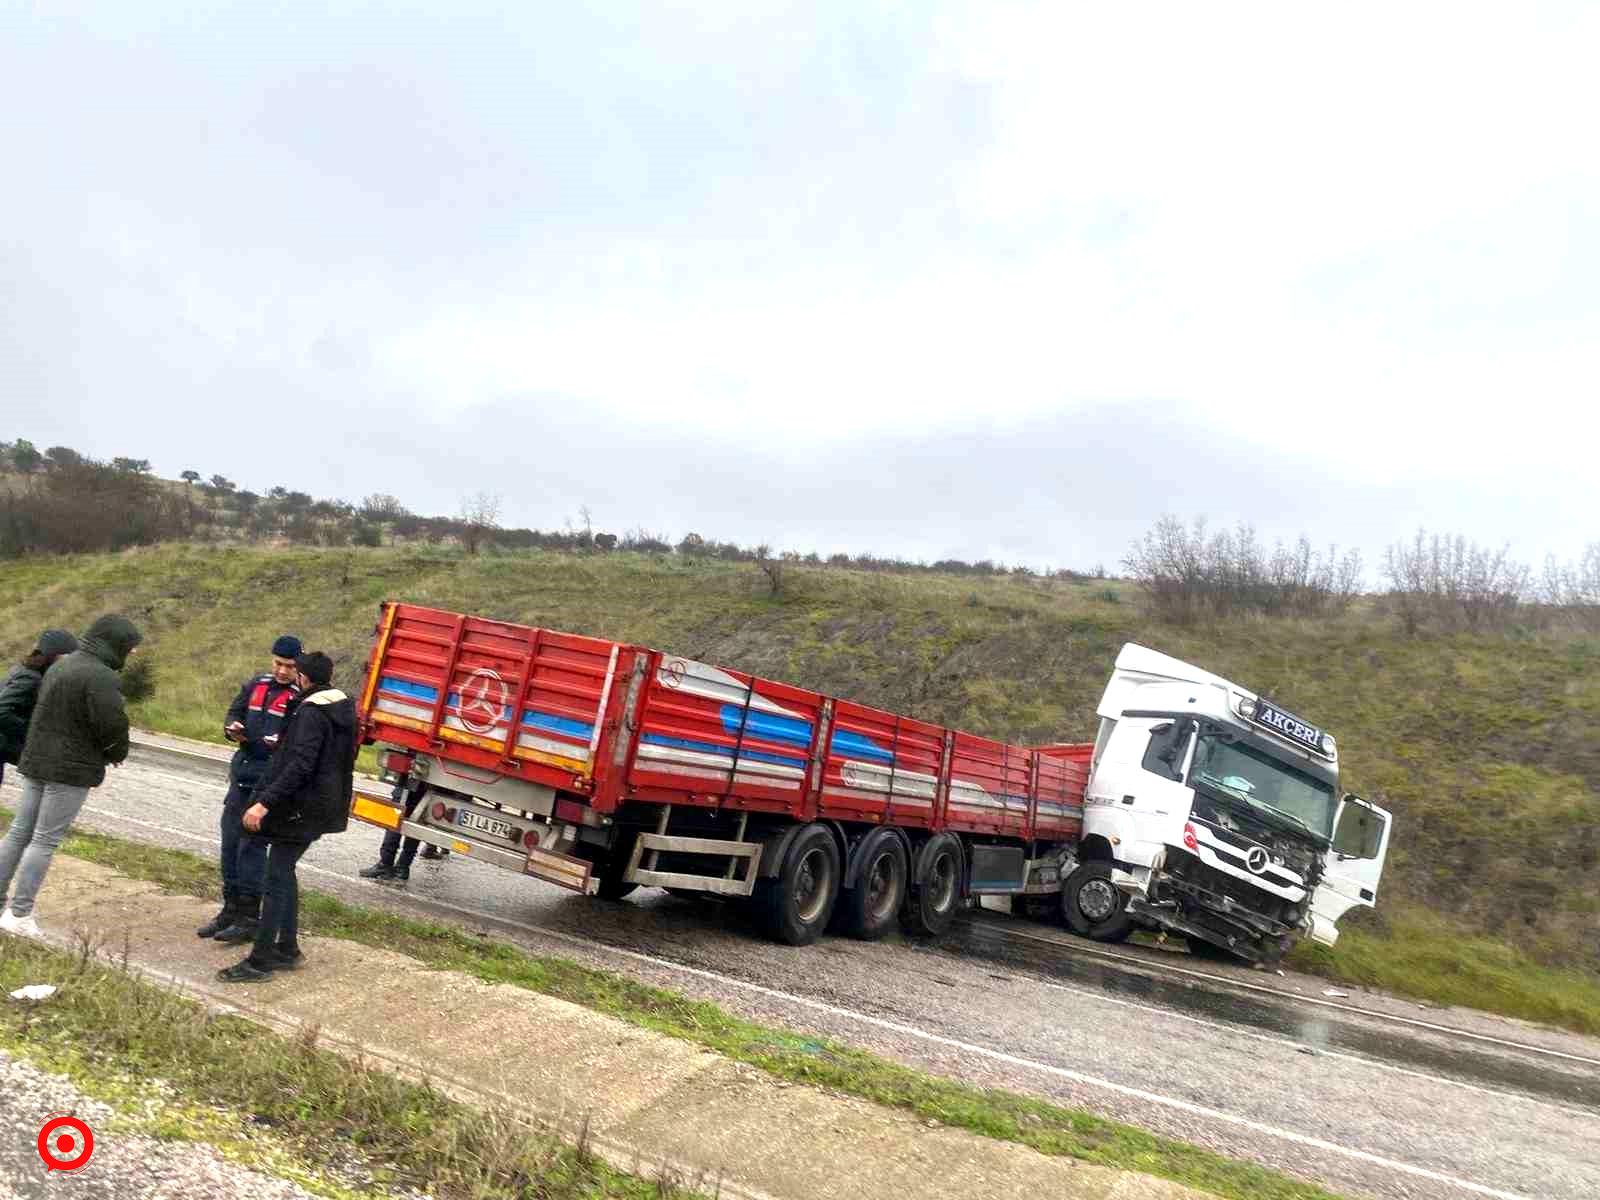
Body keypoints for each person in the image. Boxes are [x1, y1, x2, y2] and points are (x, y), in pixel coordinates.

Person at [0, 615, 141, 939]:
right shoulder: (101, 676)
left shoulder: (60, 666)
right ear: (114, 643)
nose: (131, 654)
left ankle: (3, 905)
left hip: (36, 760)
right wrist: (116, 753)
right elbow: (111, 723)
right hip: (69, 769)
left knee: (19, 832)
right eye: (129, 647)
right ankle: (19, 914)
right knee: (44, 840)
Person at [218, 651, 354, 981]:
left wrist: (264, 802)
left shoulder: (311, 712)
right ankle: (287, 949)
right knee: (284, 871)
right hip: (321, 805)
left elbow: (300, 764)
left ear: (303, 678)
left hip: (301, 808)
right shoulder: (342, 709)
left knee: (275, 878)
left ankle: (260, 961)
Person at [199, 635, 302, 943]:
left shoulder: (300, 697)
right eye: (278, 664)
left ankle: (249, 916)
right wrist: (233, 730)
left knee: (251, 850)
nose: (283, 671)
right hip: (242, 775)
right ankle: (229, 909)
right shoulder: (256, 684)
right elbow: (234, 713)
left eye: (290, 666)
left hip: (267, 783)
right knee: (230, 845)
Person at [0, 630, 80, 789]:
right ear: (54, 655)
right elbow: (2, 711)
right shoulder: (30, 677)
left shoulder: (24, 670)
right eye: (67, 657)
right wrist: (30, 730)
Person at [359, 778, 430, 883]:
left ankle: (385, 864)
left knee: (396, 812)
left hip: (414, 777)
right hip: (434, 784)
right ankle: (402, 868)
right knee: (418, 817)